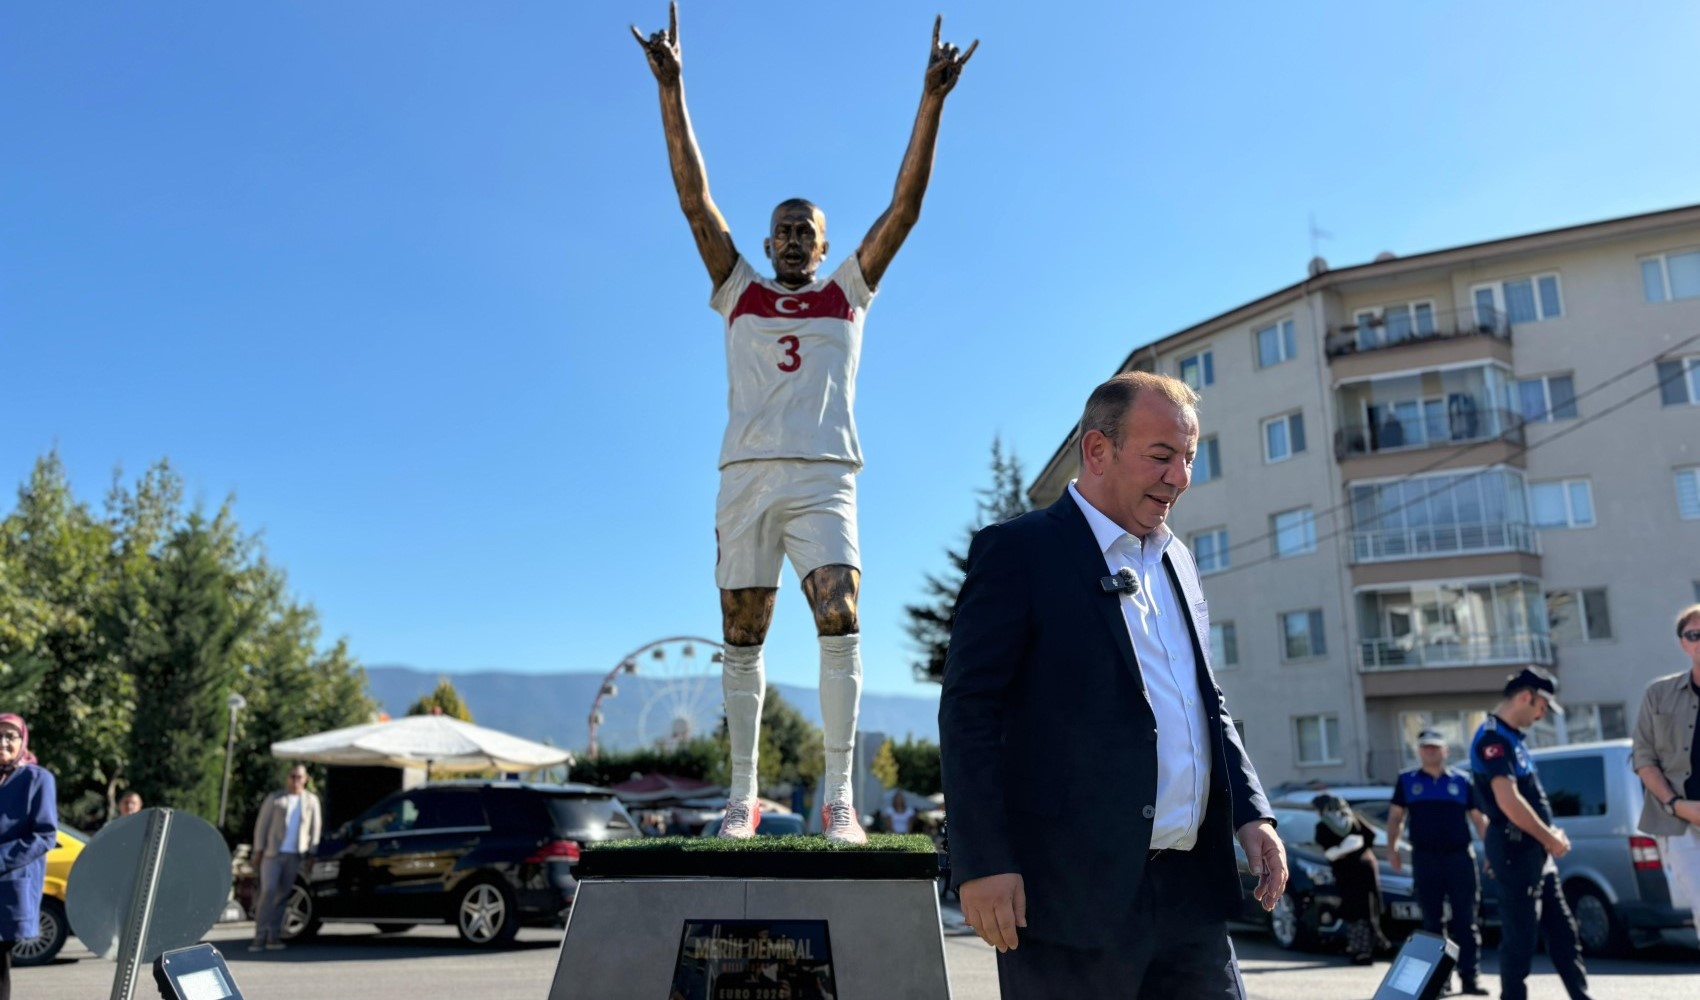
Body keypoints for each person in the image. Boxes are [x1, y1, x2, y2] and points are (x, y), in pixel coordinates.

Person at [631, 3, 976, 844]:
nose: (792, 240)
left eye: (806, 232)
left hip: (825, 477)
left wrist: (931, 101)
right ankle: (742, 799)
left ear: (823, 248)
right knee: (742, 635)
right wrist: (672, 89)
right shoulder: (737, 290)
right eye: (783, 230)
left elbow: (905, 208)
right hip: (747, 477)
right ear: (767, 241)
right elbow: (693, 200)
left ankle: (840, 799)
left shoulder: (848, 293)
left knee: (841, 616)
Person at [939, 372, 1285, 998]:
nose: (1180, 477)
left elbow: (1205, 704)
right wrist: (983, 861)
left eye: (1189, 458)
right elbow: (970, 713)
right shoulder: (1019, 551)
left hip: (1190, 902)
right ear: (1098, 450)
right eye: (1162, 456)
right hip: (1067, 903)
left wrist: (1253, 814)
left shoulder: (1179, 560)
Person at [1469, 668, 1594, 1000]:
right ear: (1526, 697)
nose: (1542, 716)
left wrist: (1547, 835)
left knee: (1563, 931)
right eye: (1541, 707)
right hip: (1516, 850)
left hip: (1532, 850)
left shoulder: (1512, 738)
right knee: (1521, 937)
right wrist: (1549, 838)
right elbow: (1508, 801)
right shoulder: (1493, 739)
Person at [1386, 729, 1490, 994]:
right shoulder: (1407, 780)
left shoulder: (1462, 780)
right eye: (1425, 747)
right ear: (1419, 751)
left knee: (1466, 920)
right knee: (1432, 923)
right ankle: (1440, 981)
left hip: (1459, 858)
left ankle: (1470, 978)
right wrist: (1392, 849)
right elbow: (1396, 817)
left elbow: (1479, 819)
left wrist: (1491, 851)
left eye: (1435, 747)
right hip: (1425, 858)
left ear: (1445, 751)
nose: (1430, 752)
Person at [1630, 603, 1700, 916]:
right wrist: (1675, 804)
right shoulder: (1658, 694)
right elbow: (1643, 757)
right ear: (1683, 643)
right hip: (1681, 823)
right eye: (1694, 634)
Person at [0, 714, 57, 1000]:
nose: (2, 742)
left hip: (9, 887)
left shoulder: (38, 779)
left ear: (23, 740)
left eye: (10, 736)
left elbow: (46, 835)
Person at [250, 765, 322, 951]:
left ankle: (274, 936)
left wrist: (312, 852)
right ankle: (259, 936)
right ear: (287, 778)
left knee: (283, 895)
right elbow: (262, 825)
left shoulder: (311, 800)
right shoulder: (276, 798)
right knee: (268, 891)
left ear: (305, 779)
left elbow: (315, 828)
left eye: (299, 777)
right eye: (292, 776)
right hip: (273, 853)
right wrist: (258, 850)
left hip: (295, 854)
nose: (295, 780)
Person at [1313, 794, 1388, 965]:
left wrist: (1342, 852)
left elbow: (1328, 851)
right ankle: (1372, 947)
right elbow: (1371, 835)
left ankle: (1361, 951)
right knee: (1368, 910)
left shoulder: (1324, 825)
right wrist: (1357, 848)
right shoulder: (1354, 819)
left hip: (1348, 874)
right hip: (1366, 869)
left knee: (1355, 913)